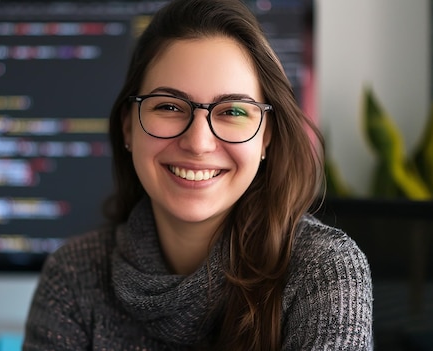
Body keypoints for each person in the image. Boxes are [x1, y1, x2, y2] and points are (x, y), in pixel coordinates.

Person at [23, 0, 373, 349]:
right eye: (169, 107)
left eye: (232, 111)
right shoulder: (73, 275)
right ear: (128, 127)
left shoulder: (324, 271)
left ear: (266, 136)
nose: (198, 143)